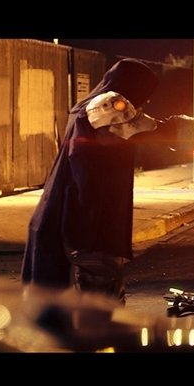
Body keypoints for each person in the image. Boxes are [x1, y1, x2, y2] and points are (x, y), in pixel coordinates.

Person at [21, 58, 163, 305]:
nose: (146, 101)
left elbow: (148, 128)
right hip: (81, 222)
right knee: (88, 307)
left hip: (64, 215)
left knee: (55, 303)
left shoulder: (90, 109)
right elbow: (84, 166)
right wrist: (90, 219)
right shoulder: (105, 109)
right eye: (144, 93)